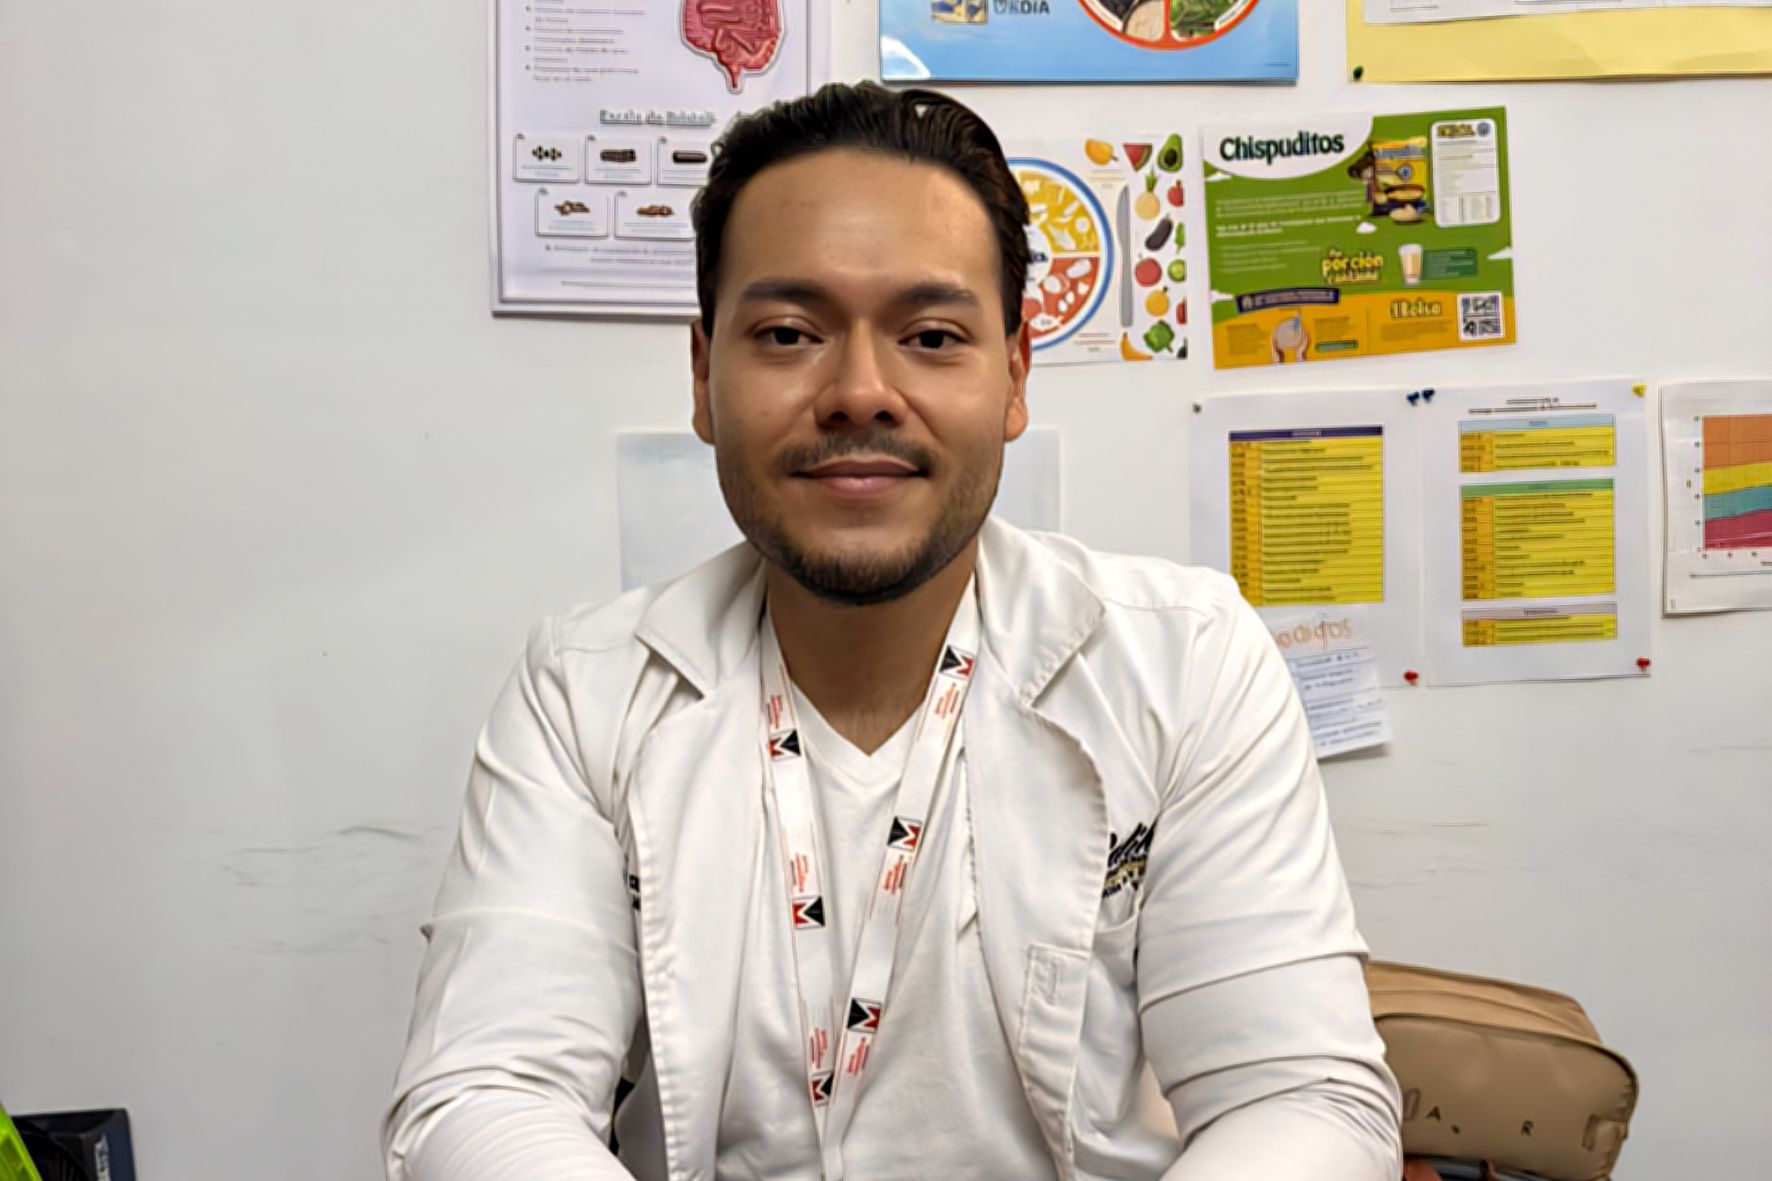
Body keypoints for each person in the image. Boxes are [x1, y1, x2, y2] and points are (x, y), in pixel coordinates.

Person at [383, 82, 1402, 1181]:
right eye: (787, 333)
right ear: (703, 377)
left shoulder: (1185, 662)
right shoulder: (584, 692)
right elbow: (484, 1093)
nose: (860, 392)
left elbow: (1301, 1098)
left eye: (929, 335)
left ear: (1014, 374)